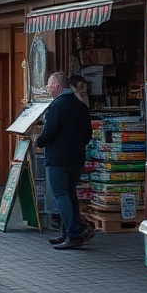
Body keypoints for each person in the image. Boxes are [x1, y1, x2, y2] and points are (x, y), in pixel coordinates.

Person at [36, 71, 94, 250]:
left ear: (56, 86)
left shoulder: (56, 106)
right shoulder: (81, 106)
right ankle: (67, 232)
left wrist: (38, 141)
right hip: (77, 159)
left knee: (60, 195)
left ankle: (74, 233)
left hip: (58, 159)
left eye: (48, 86)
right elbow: (88, 134)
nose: (48, 89)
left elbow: (50, 131)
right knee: (70, 194)